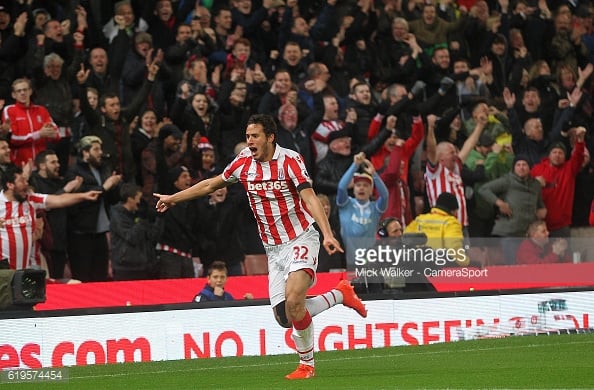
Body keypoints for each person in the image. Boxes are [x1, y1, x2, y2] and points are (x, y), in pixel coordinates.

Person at [155, 114, 367, 380]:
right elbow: (211, 183)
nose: (250, 141)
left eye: (255, 136)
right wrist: (174, 198)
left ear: (270, 137)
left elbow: (309, 197)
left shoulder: (290, 160)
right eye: (247, 136)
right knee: (286, 316)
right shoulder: (243, 162)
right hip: (273, 249)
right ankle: (340, 294)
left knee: (294, 299)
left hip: (301, 237)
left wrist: (327, 233)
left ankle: (307, 365)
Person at [0, 165, 100, 270]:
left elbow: (60, 200)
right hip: (3, 271)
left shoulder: (31, 199)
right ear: (10, 185)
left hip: (28, 269)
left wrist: (83, 196)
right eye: (22, 181)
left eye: (26, 180)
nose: (26, 183)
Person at [110, 183, 164, 280]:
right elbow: (131, 237)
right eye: (138, 198)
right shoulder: (117, 215)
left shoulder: (138, 213)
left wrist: (158, 219)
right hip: (125, 267)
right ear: (130, 198)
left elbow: (152, 236)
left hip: (142, 265)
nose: (139, 202)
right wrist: (142, 221)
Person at [404, 192, 469, 266]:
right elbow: (453, 249)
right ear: (453, 210)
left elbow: (405, 239)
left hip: (418, 265)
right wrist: (467, 263)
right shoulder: (451, 222)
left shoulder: (419, 219)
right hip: (439, 267)